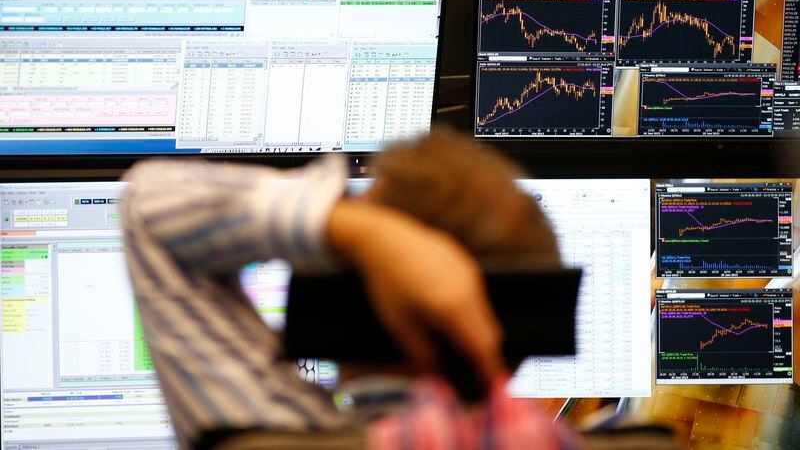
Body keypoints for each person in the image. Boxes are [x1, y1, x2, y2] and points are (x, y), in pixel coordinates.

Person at [121, 130, 669, 449]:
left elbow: (148, 206)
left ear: (340, 299)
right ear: (535, 309)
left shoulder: (274, 437)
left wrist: (358, 233)